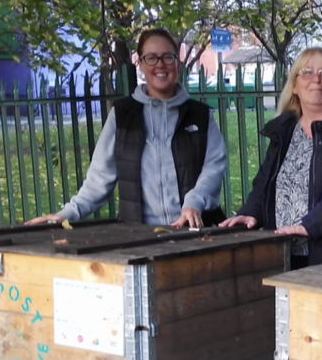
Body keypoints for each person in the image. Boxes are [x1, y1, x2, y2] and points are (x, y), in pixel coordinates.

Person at [26, 27, 228, 228]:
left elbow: (214, 169)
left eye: (167, 57)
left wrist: (194, 202)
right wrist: (65, 215)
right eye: (151, 57)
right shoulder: (122, 115)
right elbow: (99, 179)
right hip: (140, 237)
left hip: (197, 233)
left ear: (177, 62)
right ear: (139, 63)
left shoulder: (201, 116)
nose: (160, 64)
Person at [219, 46, 322, 269]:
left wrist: (309, 226)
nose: (316, 79)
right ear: (294, 86)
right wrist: (250, 212)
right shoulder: (284, 131)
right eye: (306, 72)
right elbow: (265, 184)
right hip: (285, 254)